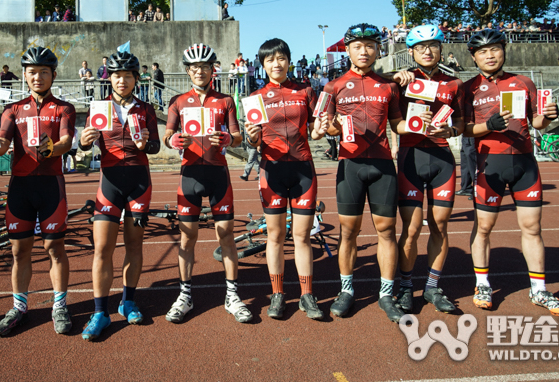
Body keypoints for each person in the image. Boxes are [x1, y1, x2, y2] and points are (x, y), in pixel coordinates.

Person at [463, 29, 559, 316]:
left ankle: (539, 290)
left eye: (494, 49)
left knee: (532, 228)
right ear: (473, 57)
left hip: (525, 163)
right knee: (484, 228)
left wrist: (548, 116)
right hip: (490, 166)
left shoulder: (523, 82)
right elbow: (463, 129)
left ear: (503, 50)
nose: (489, 55)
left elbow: (536, 122)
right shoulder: (468, 88)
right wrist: (489, 126)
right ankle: (483, 284)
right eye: (482, 52)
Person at [323, 24, 422, 323]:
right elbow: (326, 128)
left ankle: (385, 293)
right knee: (348, 233)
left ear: (378, 50)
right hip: (350, 167)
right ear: (348, 50)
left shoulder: (390, 85)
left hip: (382, 167)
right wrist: (334, 128)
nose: (363, 51)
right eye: (357, 46)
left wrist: (421, 123)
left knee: (386, 232)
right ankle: (347, 291)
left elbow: (398, 124)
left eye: (369, 46)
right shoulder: (334, 86)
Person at [0, 47, 77, 337]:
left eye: (44, 71)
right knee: (19, 251)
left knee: (54, 248)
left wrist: (52, 148)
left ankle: (59, 305)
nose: (38, 77)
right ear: (24, 75)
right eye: (32, 72)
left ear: (53, 74)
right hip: (21, 186)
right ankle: (19, 306)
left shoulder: (64, 108)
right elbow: (2, 144)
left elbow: (66, 141)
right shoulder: (12, 109)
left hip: (51, 184)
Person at [164, 43, 252, 324]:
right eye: (194, 67)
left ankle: (232, 294)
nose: (199, 71)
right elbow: (167, 135)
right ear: (187, 71)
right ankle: (185, 294)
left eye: (204, 66)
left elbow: (238, 136)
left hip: (218, 175)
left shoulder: (225, 100)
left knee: (225, 235)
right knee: (187, 237)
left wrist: (229, 139)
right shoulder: (178, 101)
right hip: (189, 175)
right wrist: (173, 140)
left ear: (212, 69)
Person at [77, 52, 160, 340]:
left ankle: (127, 301)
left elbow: (156, 149)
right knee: (102, 249)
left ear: (136, 79)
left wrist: (145, 143)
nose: (121, 80)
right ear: (108, 78)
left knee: (133, 246)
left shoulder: (146, 108)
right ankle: (100, 312)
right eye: (116, 75)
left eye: (127, 75)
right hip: (109, 183)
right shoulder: (98, 107)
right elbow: (86, 149)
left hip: (139, 182)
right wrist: (84, 143)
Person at [245, 38, 328, 320]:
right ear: (263, 64)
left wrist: (322, 130)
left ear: (289, 60)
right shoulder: (255, 97)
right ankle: (278, 295)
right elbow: (252, 140)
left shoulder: (305, 91)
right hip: (272, 171)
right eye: (269, 60)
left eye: (280, 58)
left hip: (304, 169)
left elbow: (316, 131)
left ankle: (307, 296)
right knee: (276, 236)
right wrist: (251, 137)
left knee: (303, 236)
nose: (275, 64)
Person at [386, 25, 465, 314]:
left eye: (433, 46)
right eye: (421, 48)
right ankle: (406, 287)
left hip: (442, 157)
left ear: (441, 49)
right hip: (411, 157)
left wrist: (451, 129)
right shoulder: (401, 81)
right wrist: (394, 75)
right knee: (411, 228)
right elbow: (371, 80)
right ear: (411, 52)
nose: (427, 51)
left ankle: (432, 286)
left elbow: (462, 124)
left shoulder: (455, 84)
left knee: (439, 226)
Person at [456, 135, 476, 200]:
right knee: (465, 163)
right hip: (466, 134)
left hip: (473, 133)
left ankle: (478, 191)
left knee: (473, 164)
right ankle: (466, 187)